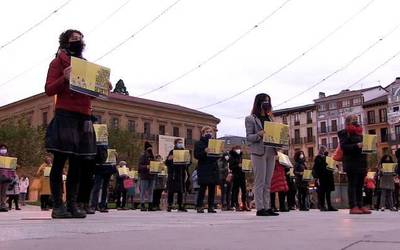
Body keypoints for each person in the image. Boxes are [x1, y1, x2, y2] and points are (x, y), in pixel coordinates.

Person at [45, 29, 111, 218]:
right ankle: (58, 205)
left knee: (78, 163)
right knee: (59, 161)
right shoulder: (58, 62)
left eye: (80, 38)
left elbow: (94, 94)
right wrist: (63, 78)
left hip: (84, 116)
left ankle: (72, 204)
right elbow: (49, 89)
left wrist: (103, 87)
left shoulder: (87, 66)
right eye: (74, 38)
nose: (78, 41)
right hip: (65, 114)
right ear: (65, 41)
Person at [245, 93, 279, 216]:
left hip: (271, 150)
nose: (267, 103)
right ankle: (260, 208)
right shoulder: (250, 118)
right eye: (265, 101)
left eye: (268, 101)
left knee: (268, 182)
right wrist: (259, 134)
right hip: (258, 151)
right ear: (259, 102)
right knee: (260, 181)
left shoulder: (270, 118)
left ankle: (267, 206)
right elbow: (248, 137)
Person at [338, 114, 371, 214]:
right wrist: (356, 145)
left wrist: (370, 146)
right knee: (352, 184)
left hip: (361, 162)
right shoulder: (344, 133)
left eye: (357, 118)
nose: (356, 120)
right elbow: (344, 147)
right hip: (351, 163)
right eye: (353, 119)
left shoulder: (359, 133)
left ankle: (360, 205)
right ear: (348, 121)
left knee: (360, 185)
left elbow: (363, 148)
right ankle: (353, 206)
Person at [194, 126, 219, 213]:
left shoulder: (215, 143)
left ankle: (211, 206)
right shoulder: (199, 143)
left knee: (212, 188)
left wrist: (219, 153)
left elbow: (217, 157)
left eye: (210, 132)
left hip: (213, 168)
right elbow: (196, 155)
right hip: (204, 167)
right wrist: (204, 151)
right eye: (207, 132)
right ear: (203, 133)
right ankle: (199, 206)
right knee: (202, 188)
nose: (209, 133)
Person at [165, 139, 190, 212]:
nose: (180, 144)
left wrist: (187, 161)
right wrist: (169, 159)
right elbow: (167, 163)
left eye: (181, 143)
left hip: (181, 173)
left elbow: (188, 163)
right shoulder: (172, 152)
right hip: (173, 173)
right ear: (175, 144)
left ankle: (180, 205)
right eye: (179, 143)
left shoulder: (184, 151)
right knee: (171, 190)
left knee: (181, 190)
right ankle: (170, 204)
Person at [90, 145, 116, 213]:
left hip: (107, 169)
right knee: (97, 187)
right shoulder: (97, 145)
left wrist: (114, 157)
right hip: (100, 168)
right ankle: (94, 205)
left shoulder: (107, 146)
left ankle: (102, 205)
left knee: (104, 188)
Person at [313, 146, 337, 212]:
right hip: (322, 177)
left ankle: (329, 206)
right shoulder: (318, 157)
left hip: (328, 177)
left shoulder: (328, 158)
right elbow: (316, 168)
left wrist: (334, 168)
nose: (324, 151)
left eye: (325, 149)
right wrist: (316, 177)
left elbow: (331, 166)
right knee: (322, 192)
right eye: (323, 149)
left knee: (328, 192)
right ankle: (322, 206)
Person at [229, 146, 249, 211]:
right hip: (236, 175)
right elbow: (231, 167)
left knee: (244, 190)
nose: (239, 150)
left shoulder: (241, 156)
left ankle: (244, 204)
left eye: (239, 148)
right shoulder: (232, 157)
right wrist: (237, 165)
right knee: (235, 190)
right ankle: (236, 204)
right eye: (237, 149)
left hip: (242, 175)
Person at [138, 141, 156, 211]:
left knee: (151, 191)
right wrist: (146, 166)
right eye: (149, 148)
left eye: (151, 148)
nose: (151, 149)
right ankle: (142, 204)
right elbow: (139, 166)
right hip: (144, 176)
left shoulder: (152, 157)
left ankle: (150, 205)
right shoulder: (143, 156)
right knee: (143, 191)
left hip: (152, 176)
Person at [0, 144, 16, 212]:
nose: (3, 149)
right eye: (2, 148)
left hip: (7, 178)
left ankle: (3, 205)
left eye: (5, 148)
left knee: (4, 192)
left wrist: (13, 176)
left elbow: (12, 169)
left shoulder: (10, 159)